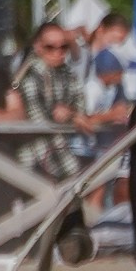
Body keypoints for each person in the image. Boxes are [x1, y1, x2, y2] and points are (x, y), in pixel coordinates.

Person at [14, 21, 85, 180]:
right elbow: (40, 123)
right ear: (38, 47)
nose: (58, 52)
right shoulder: (28, 77)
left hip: (60, 153)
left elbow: (81, 107)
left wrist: (70, 113)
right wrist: (70, 116)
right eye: (50, 47)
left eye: (63, 46)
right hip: (32, 162)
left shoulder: (68, 74)